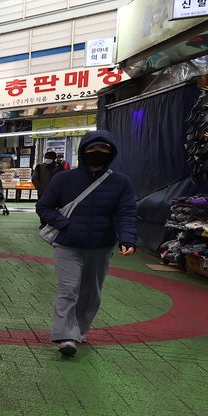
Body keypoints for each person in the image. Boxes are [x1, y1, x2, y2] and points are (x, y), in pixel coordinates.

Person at [35, 131, 137, 358]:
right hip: (68, 244)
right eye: (92, 149)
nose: (97, 153)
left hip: (101, 246)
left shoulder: (120, 182)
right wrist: (65, 224)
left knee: (92, 293)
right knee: (68, 289)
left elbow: (127, 212)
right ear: (83, 151)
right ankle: (65, 336)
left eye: (103, 149)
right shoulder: (64, 179)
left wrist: (127, 237)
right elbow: (44, 207)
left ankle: (79, 330)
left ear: (111, 153)